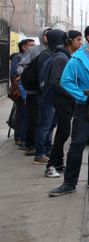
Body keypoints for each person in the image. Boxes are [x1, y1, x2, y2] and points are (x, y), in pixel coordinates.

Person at [48, 24, 89, 197]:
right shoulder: (78, 59)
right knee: (77, 144)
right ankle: (69, 183)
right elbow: (66, 81)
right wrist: (83, 98)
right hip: (85, 108)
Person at [46, 30, 82, 176]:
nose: (81, 43)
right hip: (62, 101)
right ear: (69, 41)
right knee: (63, 132)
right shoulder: (61, 58)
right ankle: (51, 165)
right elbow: (56, 82)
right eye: (78, 40)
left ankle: (59, 163)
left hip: (66, 101)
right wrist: (74, 94)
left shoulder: (67, 57)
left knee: (63, 132)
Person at [33, 29, 67, 173]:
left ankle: (47, 150)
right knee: (45, 126)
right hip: (48, 96)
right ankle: (40, 153)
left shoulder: (53, 54)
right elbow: (44, 78)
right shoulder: (48, 55)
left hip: (50, 97)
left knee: (50, 126)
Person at [18, 28, 51, 156]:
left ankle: (44, 146)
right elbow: (21, 66)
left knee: (47, 122)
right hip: (34, 91)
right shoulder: (33, 50)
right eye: (46, 34)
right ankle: (30, 145)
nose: (48, 37)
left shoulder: (55, 50)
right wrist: (28, 76)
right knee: (34, 120)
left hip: (48, 92)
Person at [10, 38, 35, 149]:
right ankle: (19, 137)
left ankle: (22, 136)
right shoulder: (18, 58)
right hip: (20, 91)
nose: (34, 47)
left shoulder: (32, 57)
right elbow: (14, 74)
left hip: (27, 89)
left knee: (26, 114)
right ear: (24, 47)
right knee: (21, 114)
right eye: (31, 45)